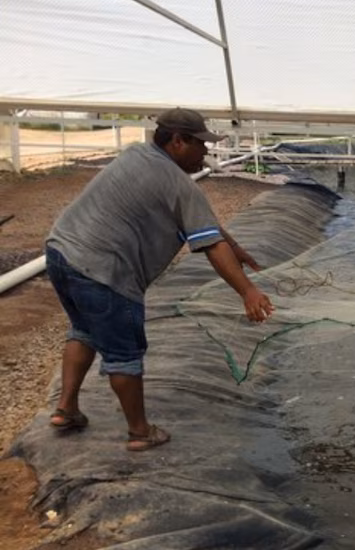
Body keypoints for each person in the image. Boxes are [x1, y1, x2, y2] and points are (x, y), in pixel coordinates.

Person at [44, 107, 275, 451]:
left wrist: (235, 247)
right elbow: (211, 245)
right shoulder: (179, 184)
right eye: (201, 144)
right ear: (178, 141)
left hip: (61, 253)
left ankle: (66, 410)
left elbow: (203, 223)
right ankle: (140, 432)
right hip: (105, 270)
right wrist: (248, 291)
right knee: (124, 351)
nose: (206, 151)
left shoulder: (136, 155)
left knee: (84, 330)